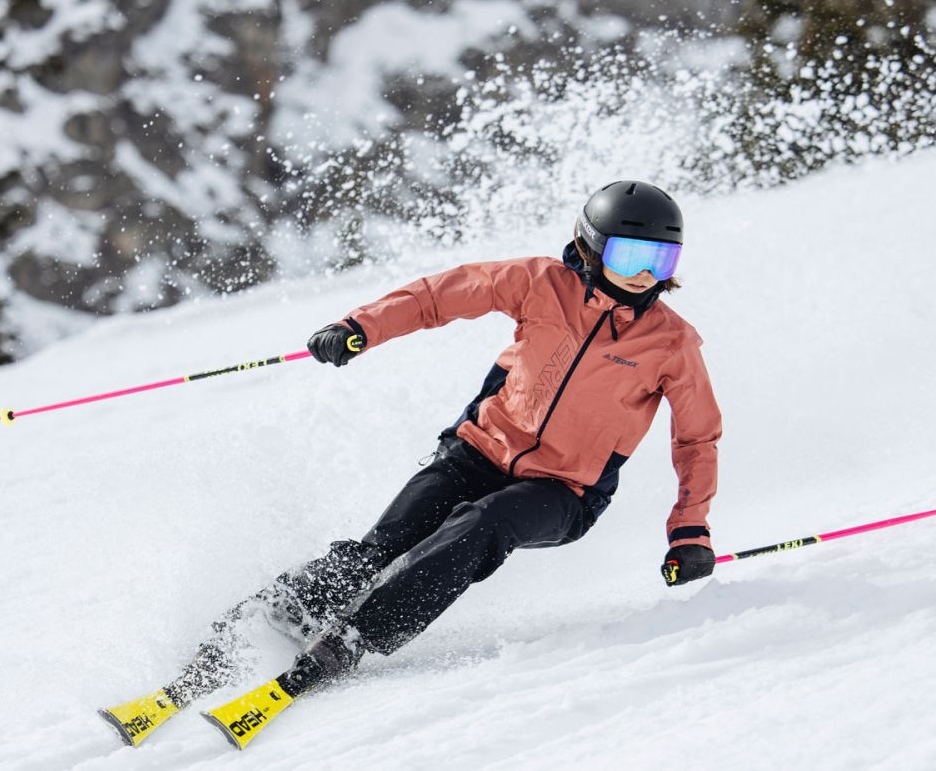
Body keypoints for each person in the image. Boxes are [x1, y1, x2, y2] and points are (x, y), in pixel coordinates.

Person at [165, 179, 722, 705]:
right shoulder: (540, 283)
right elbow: (441, 295)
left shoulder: (672, 343)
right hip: (476, 452)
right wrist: (361, 327)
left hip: (565, 492)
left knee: (482, 523)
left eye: (661, 260)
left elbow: (696, 438)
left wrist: (690, 532)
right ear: (592, 246)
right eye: (630, 255)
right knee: (377, 551)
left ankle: (353, 639)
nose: (644, 274)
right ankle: (252, 629)